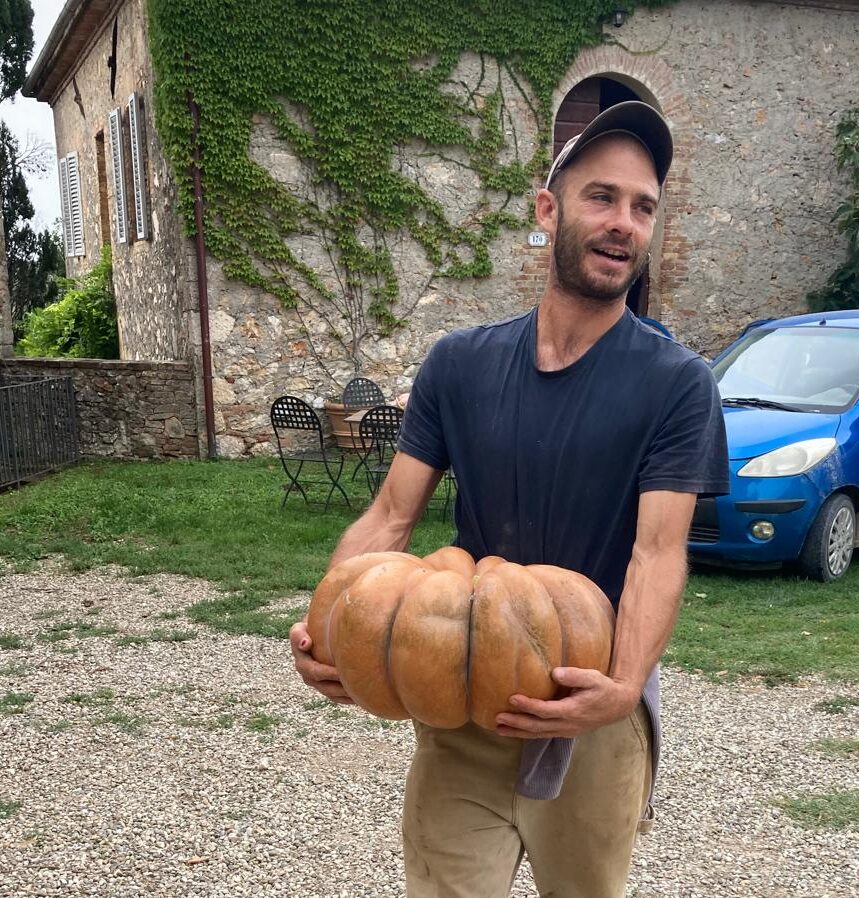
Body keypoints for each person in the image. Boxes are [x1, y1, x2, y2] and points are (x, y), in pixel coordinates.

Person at [291, 100, 729, 898]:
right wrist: (330, 629)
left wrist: (625, 684)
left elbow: (658, 550)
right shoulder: (458, 365)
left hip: (591, 708)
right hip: (461, 699)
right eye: (602, 197)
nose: (623, 223)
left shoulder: (679, 386)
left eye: (643, 207)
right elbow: (392, 515)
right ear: (548, 209)